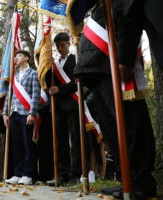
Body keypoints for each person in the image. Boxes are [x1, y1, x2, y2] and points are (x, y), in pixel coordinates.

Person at [74, 2, 157, 199]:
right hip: (95, 68)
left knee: (131, 125)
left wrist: (125, 57)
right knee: (112, 131)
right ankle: (125, 179)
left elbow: (129, 19)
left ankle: (140, 182)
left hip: (111, 62)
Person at [46, 32, 81, 186]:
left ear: (68, 44)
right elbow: (49, 83)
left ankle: (76, 174)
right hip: (58, 106)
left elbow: (76, 83)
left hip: (73, 104)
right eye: (58, 46)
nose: (60, 48)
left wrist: (59, 90)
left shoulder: (75, 59)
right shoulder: (54, 64)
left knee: (75, 140)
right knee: (60, 141)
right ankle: (62, 173)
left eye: (63, 45)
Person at [3, 50, 40, 185]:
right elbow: (9, 95)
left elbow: (36, 94)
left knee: (27, 145)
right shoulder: (15, 76)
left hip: (26, 113)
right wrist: (5, 113)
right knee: (17, 145)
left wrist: (32, 113)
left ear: (26, 58)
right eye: (15, 56)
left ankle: (27, 174)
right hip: (14, 114)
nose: (16, 58)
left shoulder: (33, 73)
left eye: (19, 56)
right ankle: (17, 173)